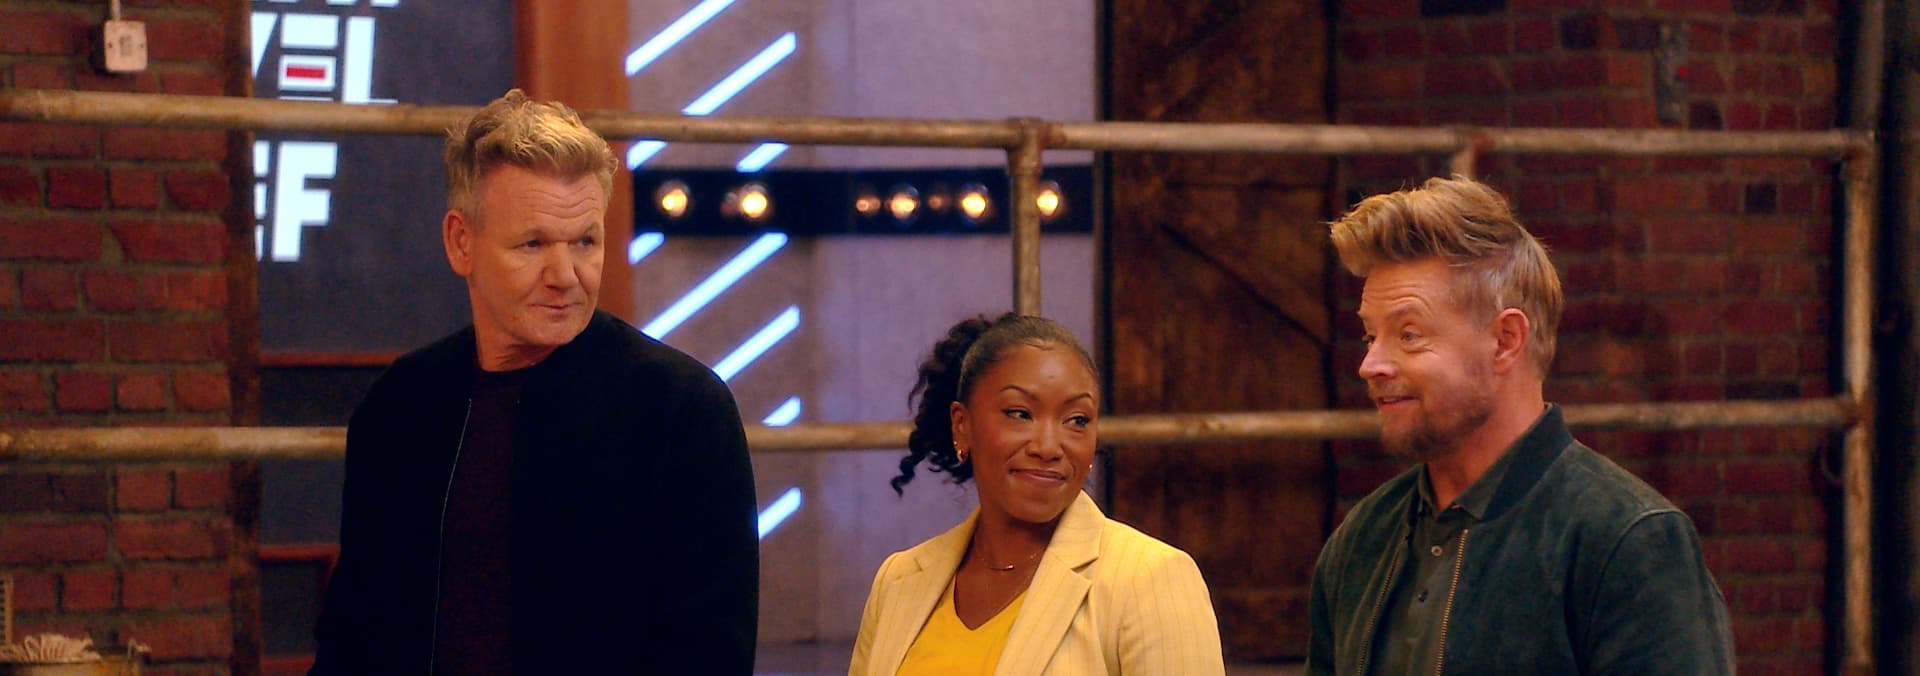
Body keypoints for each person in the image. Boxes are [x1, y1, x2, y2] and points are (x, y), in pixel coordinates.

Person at [310, 90, 758, 674]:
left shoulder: (682, 409)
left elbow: (711, 654)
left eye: (584, 242)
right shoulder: (401, 406)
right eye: (533, 244)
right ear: (461, 242)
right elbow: (353, 637)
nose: (565, 276)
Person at [1307, 176, 1735, 674]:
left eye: (1409, 334)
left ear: (1506, 340)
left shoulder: (1625, 541)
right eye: (1369, 336)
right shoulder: (1362, 539)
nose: (1370, 365)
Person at [850, 314, 1224, 675]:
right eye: (1020, 414)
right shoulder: (899, 580)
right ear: (962, 426)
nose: (1048, 447)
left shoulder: (1149, 578)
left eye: (1077, 420)